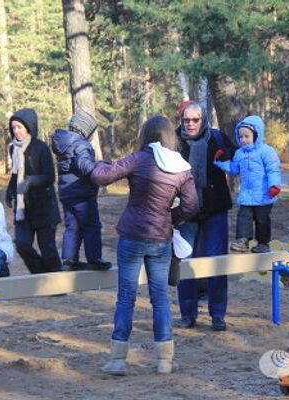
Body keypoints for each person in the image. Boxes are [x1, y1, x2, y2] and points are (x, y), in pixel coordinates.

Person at [91, 115, 198, 376]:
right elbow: (192, 206)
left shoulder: (139, 158)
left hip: (132, 235)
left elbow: (102, 177)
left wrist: (95, 161)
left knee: (126, 297)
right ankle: (165, 361)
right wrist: (167, 218)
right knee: (160, 298)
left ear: (145, 135)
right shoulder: (182, 167)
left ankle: (117, 360)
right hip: (161, 240)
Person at [175, 102, 237, 331]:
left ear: (203, 120)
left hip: (215, 210)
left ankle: (218, 315)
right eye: (186, 120)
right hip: (184, 212)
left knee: (217, 262)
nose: (190, 124)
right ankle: (187, 314)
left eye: (195, 120)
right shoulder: (173, 141)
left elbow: (238, 158)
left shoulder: (218, 138)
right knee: (184, 263)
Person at [51, 109, 111, 271]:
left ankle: (69, 260)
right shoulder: (81, 145)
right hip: (82, 194)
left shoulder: (65, 144)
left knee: (72, 226)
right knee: (91, 225)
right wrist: (97, 170)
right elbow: (84, 165)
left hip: (67, 193)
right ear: (86, 131)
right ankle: (94, 259)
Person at [5, 108, 63, 274]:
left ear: (29, 127)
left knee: (48, 249)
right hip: (23, 209)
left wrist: (30, 181)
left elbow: (50, 176)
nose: (16, 131)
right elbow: (16, 174)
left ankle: (56, 281)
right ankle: (40, 275)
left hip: (44, 207)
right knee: (22, 244)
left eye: (19, 127)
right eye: (13, 127)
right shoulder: (13, 149)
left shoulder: (41, 148)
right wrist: (10, 191)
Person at [213, 115, 281, 253]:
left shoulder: (267, 152)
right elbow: (234, 169)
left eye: (247, 136)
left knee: (262, 220)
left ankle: (263, 243)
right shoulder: (239, 153)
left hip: (264, 195)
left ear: (256, 135)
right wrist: (220, 161)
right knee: (243, 217)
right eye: (240, 137)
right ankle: (243, 241)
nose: (243, 140)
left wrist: (274, 186)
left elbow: (273, 169)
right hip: (247, 195)